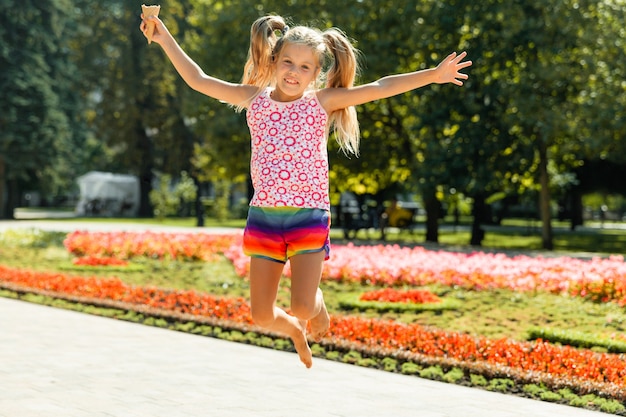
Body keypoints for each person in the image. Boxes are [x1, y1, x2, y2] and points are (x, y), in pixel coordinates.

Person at [139, 13, 472, 368]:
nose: (293, 72)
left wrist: (433, 76)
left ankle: (316, 303)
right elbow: (198, 79)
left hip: (309, 215)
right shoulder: (255, 99)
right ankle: (296, 331)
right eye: (287, 62)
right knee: (262, 315)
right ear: (273, 60)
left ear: (316, 73)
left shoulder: (321, 103)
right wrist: (163, 37)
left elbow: (378, 88)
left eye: (304, 67)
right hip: (264, 217)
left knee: (302, 305)